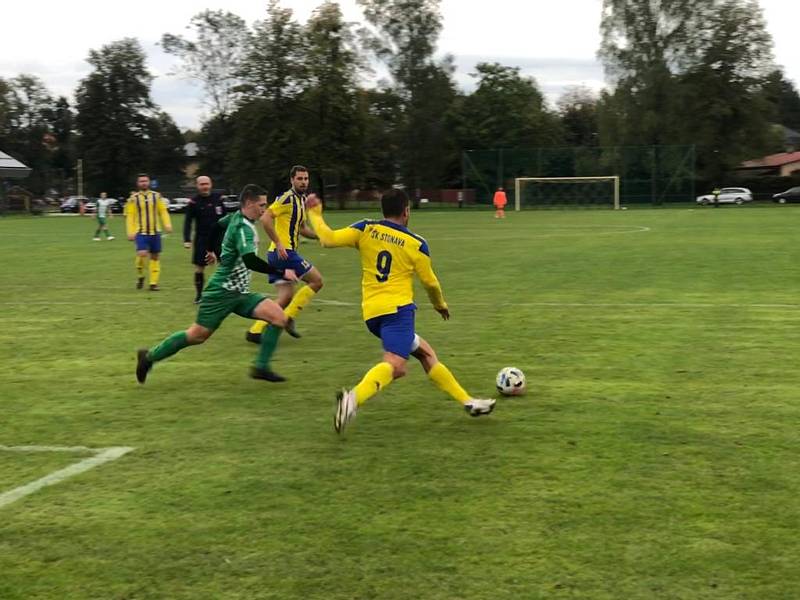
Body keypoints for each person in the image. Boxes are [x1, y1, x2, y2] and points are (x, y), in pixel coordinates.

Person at [305, 189, 496, 434]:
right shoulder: (416, 244)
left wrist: (315, 212)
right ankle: (352, 400)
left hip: (372, 313)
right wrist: (440, 305)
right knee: (395, 365)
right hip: (398, 311)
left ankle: (468, 401)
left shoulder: (366, 229)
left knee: (426, 353)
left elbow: (327, 239)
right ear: (406, 211)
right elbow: (430, 283)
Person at [136, 185, 293, 385]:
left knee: (279, 317)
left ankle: (261, 367)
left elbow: (217, 226)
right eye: (262, 205)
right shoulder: (243, 227)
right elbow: (250, 261)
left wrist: (210, 249)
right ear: (249, 203)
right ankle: (148, 357)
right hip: (222, 292)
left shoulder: (235, 217)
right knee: (197, 336)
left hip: (241, 293)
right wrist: (280, 272)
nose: (265, 209)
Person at [246, 165, 323, 343]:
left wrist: (322, 237)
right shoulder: (287, 198)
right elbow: (265, 218)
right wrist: (279, 242)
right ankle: (287, 318)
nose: (303, 182)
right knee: (317, 281)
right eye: (300, 179)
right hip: (284, 253)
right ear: (292, 180)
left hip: (278, 254)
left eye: (305, 179)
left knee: (285, 297)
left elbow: (302, 229)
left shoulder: (301, 201)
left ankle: (255, 331)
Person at [125, 174, 172, 291]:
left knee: (155, 256)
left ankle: (153, 283)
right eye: (141, 181)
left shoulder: (157, 196)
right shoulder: (133, 199)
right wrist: (130, 231)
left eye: (145, 181)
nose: (144, 183)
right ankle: (141, 276)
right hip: (140, 232)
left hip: (155, 232)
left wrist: (167, 224)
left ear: (149, 182)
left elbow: (163, 211)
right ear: (138, 183)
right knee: (142, 254)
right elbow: (130, 216)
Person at [184, 175, 226, 303]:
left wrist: (229, 236)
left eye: (206, 183)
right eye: (202, 184)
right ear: (197, 186)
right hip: (202, 239)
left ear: (211, 184)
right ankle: (199, 295)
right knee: (199, 268)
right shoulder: (193, 202)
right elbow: (188, 222)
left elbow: (225, 219)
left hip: (219, 239)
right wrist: (187, 239)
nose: (205, 186)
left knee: (224, 266)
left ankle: (223, 293)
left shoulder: (218, 199)